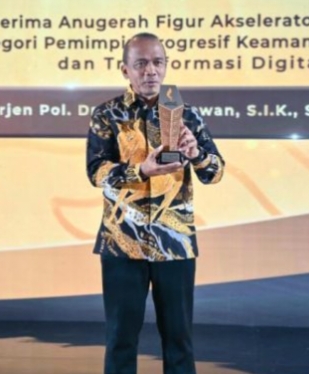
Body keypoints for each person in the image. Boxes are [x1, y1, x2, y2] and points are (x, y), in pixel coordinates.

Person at [86, 32, 225, 374]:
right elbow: (96, 171)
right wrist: (141, 170)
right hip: (123, 242)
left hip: (174, 243)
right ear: (125, 70)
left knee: (179, 341)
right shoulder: (107, 114)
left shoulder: (186, 114)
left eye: (157, 62)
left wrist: (196, 154)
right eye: (141, 64)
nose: (151, 71)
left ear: (166, 66)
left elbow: (215, 172)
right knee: (120, 339)